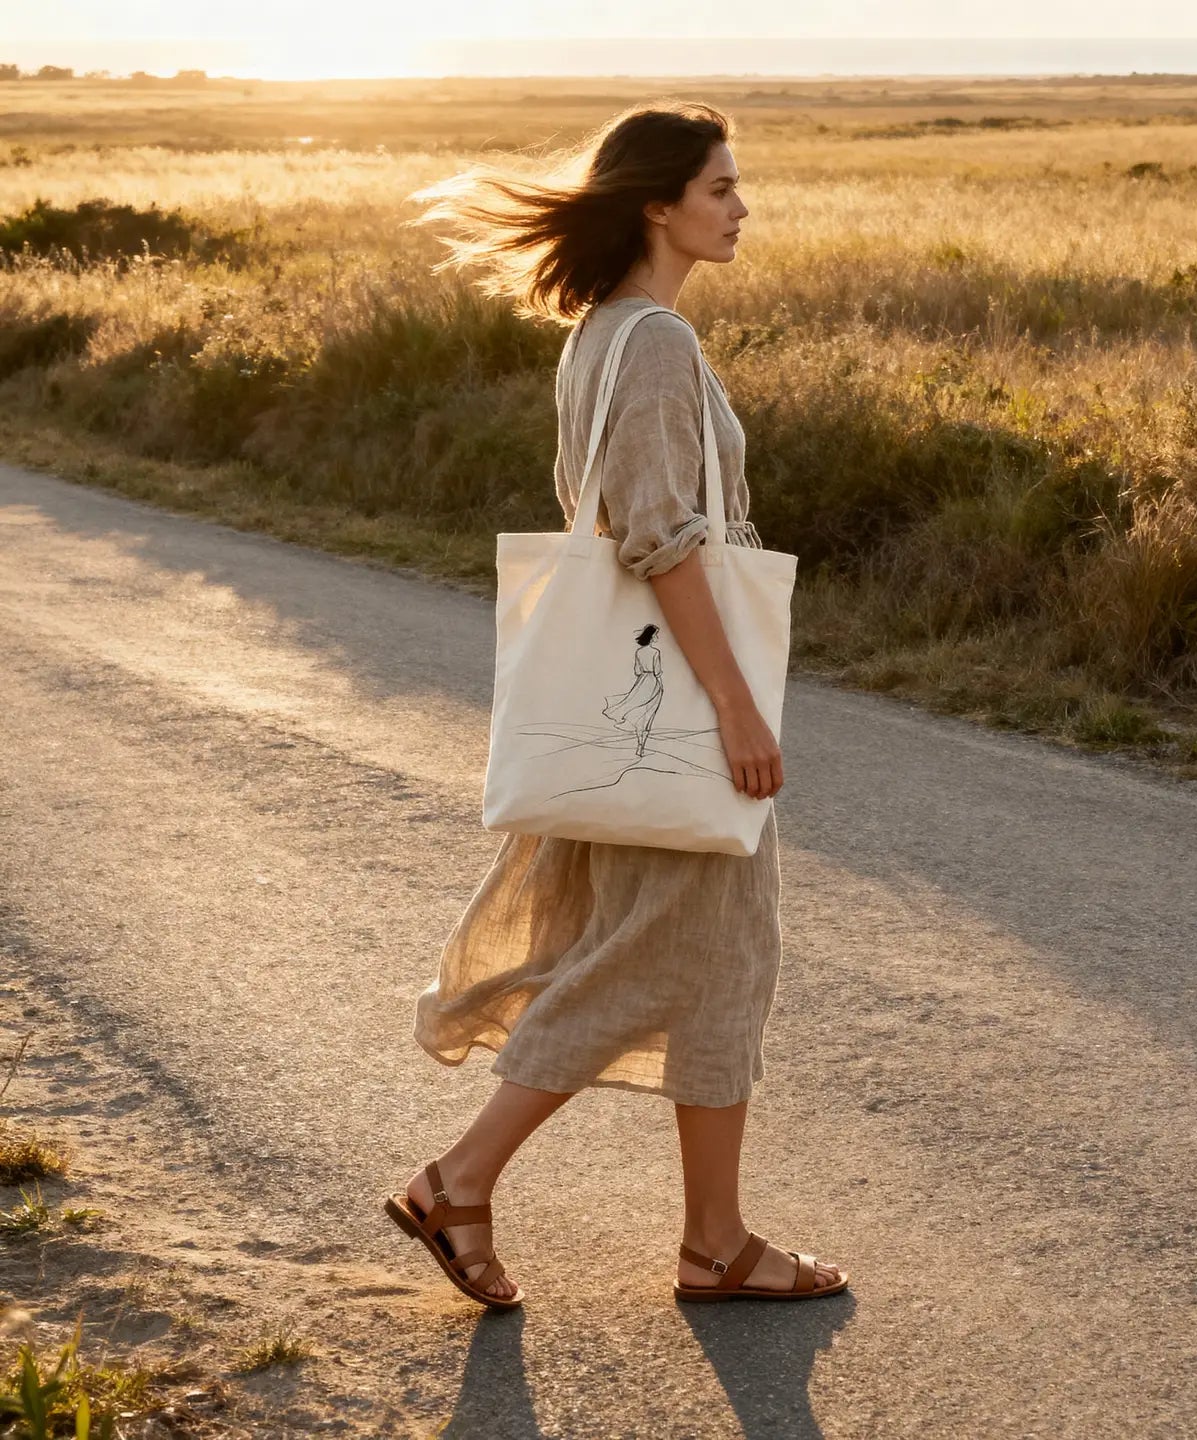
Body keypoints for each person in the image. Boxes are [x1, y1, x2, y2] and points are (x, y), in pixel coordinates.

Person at [382, 101, 848, 1308]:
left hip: (632, 715)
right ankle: (463, 1182)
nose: (743, 208)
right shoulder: (652, 347)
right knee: (655, 962)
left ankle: (715, 1241)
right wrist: (739, 712)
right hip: (670, 714)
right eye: (723, 188)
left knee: (710, 960)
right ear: (659, 202)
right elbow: (656, 539)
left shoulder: (602, 335)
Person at [602, 622, 665, 756]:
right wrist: (660, 686)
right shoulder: (655, 652)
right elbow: (658, 672)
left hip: (641, 682)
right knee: (649, 714)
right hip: (653, 683)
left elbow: (637, 671)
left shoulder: (639, 652)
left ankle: (640, 744)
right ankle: (641, 746)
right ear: (651, 636)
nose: (657, 637)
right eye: (656, 635)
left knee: (639, 712)